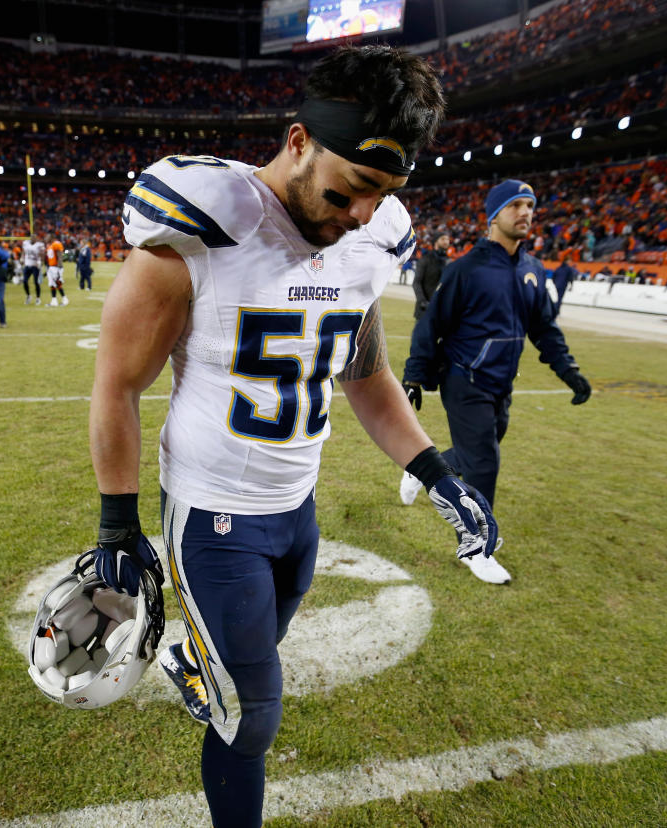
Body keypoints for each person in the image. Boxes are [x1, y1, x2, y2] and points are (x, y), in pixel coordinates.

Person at [87, 45, 496, 828]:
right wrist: (117, 519)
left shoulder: (369, 240)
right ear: (300, 141)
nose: (362, 214)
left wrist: (438, 472)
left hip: (296, 511)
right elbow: (118, 384)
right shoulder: (202, 225)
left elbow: (366, 373)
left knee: (245, 669)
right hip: (212, 517)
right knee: (255, 717)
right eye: (355, 188)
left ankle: (194, 661)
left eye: (384, 194)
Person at [400, 179, 591, 584]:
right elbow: (431, 325)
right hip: (463, 379)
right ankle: (476, 547)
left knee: (474, 455)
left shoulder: (532, 270)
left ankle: (423, 471)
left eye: (530, 206)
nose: (525, 213)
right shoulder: (467, 268)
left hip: (502, 384)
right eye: (516, 205)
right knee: (485, 464)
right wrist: (415, 375)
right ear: (494, 215)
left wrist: (569, 371)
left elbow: (545, 329)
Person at [412, 232, 449, 320]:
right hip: (425, 309)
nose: (446, 242)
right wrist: (422, 301)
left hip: (442, 310)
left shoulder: (449, 261)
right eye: (443, 239)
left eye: (447, 239)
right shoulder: (426, 259)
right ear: (436, 242)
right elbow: (416, 282)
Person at [21, 235, 44, 305]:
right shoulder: (26, 243)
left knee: (36, 282)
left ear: (36, 239)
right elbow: (24, 252)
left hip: (35, 266)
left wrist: (41, 262)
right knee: (24, 281)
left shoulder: (40, 245)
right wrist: (22, 258)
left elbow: (43, 254)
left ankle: (38, 298)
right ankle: (28, 296)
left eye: (34, 238)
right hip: (27, 265)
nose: (33, 239)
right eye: (31, 238)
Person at [45, 236, 68, 306]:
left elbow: (60, 256)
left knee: (58, 284)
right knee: (52, 284)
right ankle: (54, 301)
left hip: (56, 267)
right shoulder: (50, 246)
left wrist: (59, 268)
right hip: (51, 267)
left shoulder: (56, 244)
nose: (46, 239)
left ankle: (65, 299)